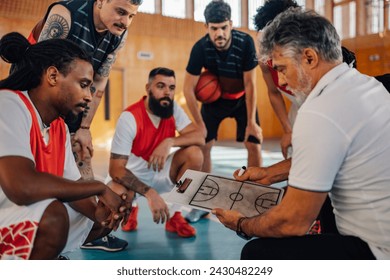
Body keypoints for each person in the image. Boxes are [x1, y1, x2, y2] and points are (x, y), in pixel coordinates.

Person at [213, 9, 390, 260]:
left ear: (309, 57)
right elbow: (334, 152)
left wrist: (242, 224)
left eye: (283, 69)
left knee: (256, 254)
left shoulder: (318, 111)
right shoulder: (367, 85)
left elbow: (292, 222)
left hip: (375, 252)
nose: (282, 81)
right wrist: (270, 173)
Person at [25, 0, 143, 252]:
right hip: (35, 101)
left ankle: (91, 233)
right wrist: (42, 122)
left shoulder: (116, 34)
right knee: (32, 174)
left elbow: (99, 83)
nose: (125, 21)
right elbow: (39, 68)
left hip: (69, 101)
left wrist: (85, 128)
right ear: (100, 1)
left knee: (81, 161)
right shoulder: (65, 14)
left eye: (132, 16)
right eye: (121, 12)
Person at [0, 32, 129, 259]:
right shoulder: (8, 103)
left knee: (97, 219)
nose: (89, 97)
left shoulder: (58, 126)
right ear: (52, 76)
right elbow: (21, 187)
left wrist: (101, 214)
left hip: (12, 214)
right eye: (84, 85)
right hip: (9, 209)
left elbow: (73, 185)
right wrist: (100, 188)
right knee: (54, 217)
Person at [183, 0, 262, 223]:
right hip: (215, 101)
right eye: (214, 28)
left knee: (254, 141)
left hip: (242, 99)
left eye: (223, 27)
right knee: (204, 146)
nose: (219, 33)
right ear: (206, 27)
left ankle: (253, 200)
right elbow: (187, 89)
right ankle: (202, 204)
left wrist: (252, 123)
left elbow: (251, 84)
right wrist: (198, 124)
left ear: (231, 24)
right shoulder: (200, 47)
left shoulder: (245, 42)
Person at [106, 67, 204, 238]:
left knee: (195, 154)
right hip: (132, 178)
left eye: (171, 88)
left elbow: (199, 137)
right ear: (148, 88)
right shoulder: (129, 117)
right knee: (115, 192)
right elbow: (116, 170)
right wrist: (150, 193)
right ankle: (132, 208)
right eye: (161, 86)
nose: (167, 92)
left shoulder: (173, 109)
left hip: (161, 173)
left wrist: (170, 141)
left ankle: (174, 216)